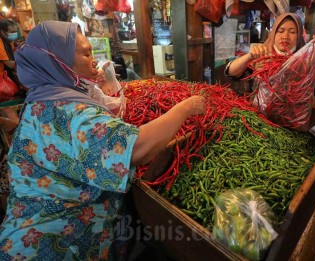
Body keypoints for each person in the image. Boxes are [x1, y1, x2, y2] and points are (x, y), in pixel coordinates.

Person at [0, 21, 206, 260]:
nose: (94, 59)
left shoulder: (43, 96)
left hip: (38, 231)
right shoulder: (71, 112)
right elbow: (137, 149)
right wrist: (184, 109)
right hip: (52, 244)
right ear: (59, 62)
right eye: (86, 53)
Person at [225, 12, 315, 93]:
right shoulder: (262, 55)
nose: (285, 36)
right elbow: (231, 73)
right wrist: (249, 56)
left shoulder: (307, 60)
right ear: (273, 34)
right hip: (259, 121)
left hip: (293, 122)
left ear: (299, 36)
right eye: (280, 31)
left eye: (292, 32)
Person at [0, 19, 22, 89]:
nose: (15, 34)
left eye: (16, 31)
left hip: (7, 73)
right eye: (12, 32)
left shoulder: (9, 40)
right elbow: (10, 64)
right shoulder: (0, 44)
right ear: (2, 32)